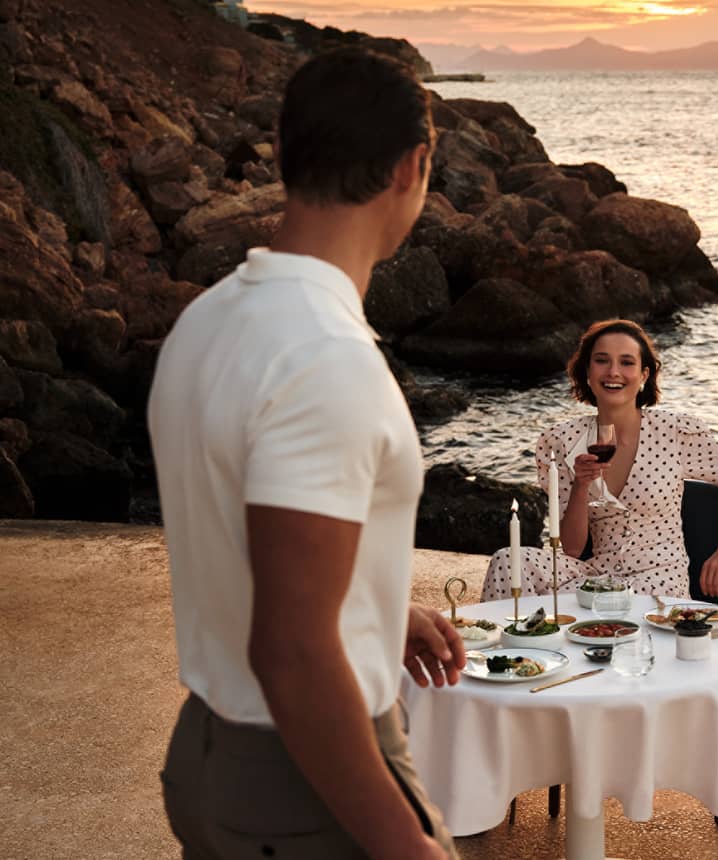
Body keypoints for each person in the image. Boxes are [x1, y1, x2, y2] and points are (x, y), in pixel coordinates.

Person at [148, 48, 463, 860]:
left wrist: (378, 612)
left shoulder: (208, 320)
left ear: (285, 155)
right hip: (302, 783)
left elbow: (242, 534)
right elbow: (291, 651)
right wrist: (407, 845)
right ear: (412, 167)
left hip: (210, 753)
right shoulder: (326, 359)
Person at [483, 319, 718, 601]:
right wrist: (581, 485)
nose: (613, 372)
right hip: (597, 576)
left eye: (627, 362)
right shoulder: (563, 441)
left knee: (607, 609)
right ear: (587, 371)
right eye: (602, 360)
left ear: (644, 375)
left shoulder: (675, 432)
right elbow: (571, 549)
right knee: (509, 560)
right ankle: (515, 635)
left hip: (658, 579)